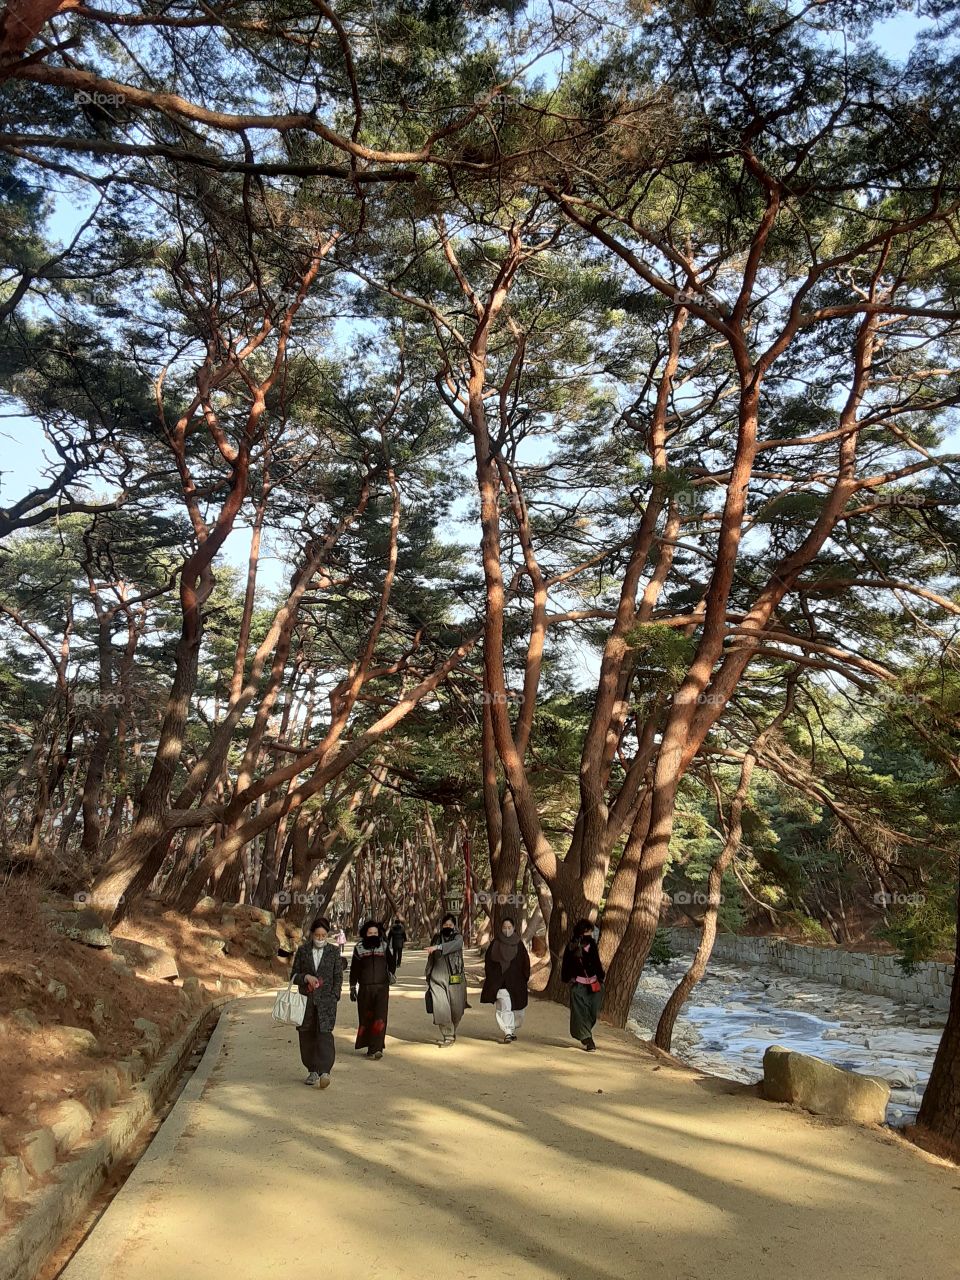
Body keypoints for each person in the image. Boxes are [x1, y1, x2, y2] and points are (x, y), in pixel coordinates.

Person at [290, 915, 343, 1087]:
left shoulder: (334, 952)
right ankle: (312, 1070)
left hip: (327, 1002)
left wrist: (335, 995)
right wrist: (305, 977)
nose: (320, 939)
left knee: (325, 1035)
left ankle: (325, 1071)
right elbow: (293, 976)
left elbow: (338, 976)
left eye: (323, 936)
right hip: (306, 1002)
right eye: (317, 935)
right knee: (307, 1036)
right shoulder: (303, 951)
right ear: (312, 934)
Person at [349, 919, 395, 1059]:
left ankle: (377, 1048)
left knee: (380, 1017)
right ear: (365, 934)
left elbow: (392, 963)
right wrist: (352, 986)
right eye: (370, 933)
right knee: (367, 1018)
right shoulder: (359, 948)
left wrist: (389, 975)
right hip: (365, 989)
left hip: (382, 988)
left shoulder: (384, 946)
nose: (373, 935)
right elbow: (354, 969)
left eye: (375, 932)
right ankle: (370, 1047)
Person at [481, 915, 530, 1043]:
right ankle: (507, 1031)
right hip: (500, 982)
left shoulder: (519, 944)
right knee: (504, 1007)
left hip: (517, 983)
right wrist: (492, 978)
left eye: (509, 927)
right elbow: (488, 963)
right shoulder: (495, 944)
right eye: (504, 927)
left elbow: (525, 963)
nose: (506, 930)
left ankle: (512, 1029)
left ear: (514, 928)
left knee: (518, 1011)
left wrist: (525, 978)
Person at [560, 918, 605, 1051]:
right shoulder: (571, 947)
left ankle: (586, 1032)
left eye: (590, 932)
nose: (589, 934)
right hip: (579, 986)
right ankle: (587, 1039)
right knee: (580, 1012)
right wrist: (568, 977)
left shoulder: (592, 945)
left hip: (594, 986)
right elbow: (566, 965)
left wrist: (600, 977)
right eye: (587, 932)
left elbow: (597, 963)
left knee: (592, 1012)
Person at [425, 912, 467, 1047]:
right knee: (441, 1008)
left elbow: (455, 945)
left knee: (456, 1009)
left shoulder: (458, 938)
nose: (448, 926)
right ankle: (448, 1035)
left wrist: (438, 947)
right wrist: (428, 975)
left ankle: (453, 1029)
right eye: (445, 924)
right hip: (437, 979)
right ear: (442, 926)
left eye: (450, 924)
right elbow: (430, 959)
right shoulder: (436, 938)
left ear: (454, 926)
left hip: (455, 979)